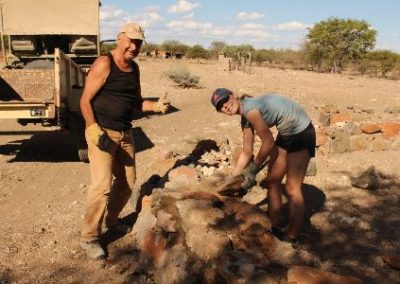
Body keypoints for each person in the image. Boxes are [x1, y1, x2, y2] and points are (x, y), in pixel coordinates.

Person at [79, 22, 170, 260]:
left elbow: (137, 103)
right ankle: (89, 238)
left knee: (128, 182)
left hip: (125, 133)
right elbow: (85, 101)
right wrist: (93, 128)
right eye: (130, 40)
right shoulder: (104, 63)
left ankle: (111, 220)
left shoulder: (134, 68)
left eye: (138, 42)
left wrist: (155, 106)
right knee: (101, 186)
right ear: (120, 38)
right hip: (102, 133)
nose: (133, 46)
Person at [211, 88, 316, 247]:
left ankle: (292, 236)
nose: (225, 106)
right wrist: (233, 178)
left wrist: (252, 170)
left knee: (292, 188)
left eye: (226, 100)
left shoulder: (251, 110)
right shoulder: (245, 119)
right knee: (273, 181)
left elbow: (268, 143)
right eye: (221, 106)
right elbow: (246, 152)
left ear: (232, 96)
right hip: (287, 133)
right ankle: (272, 225)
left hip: (302, 132)